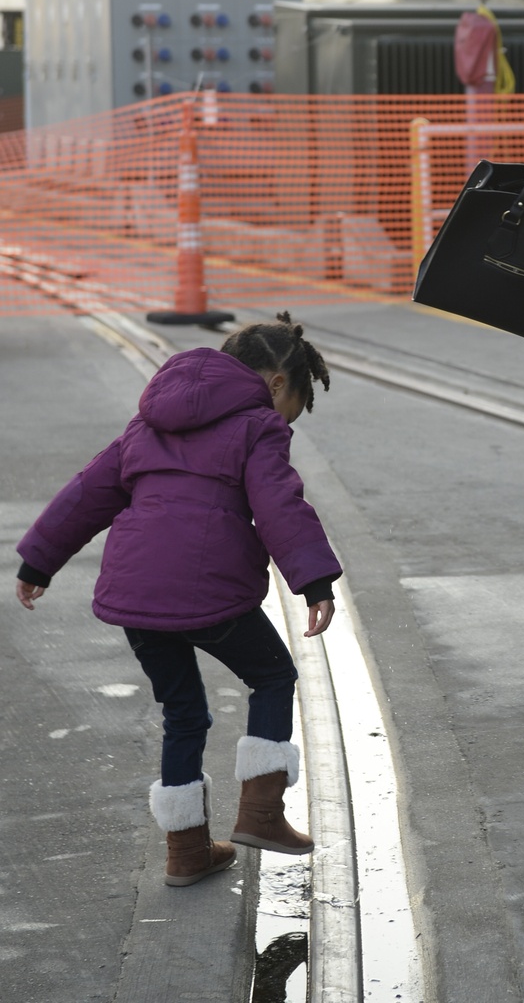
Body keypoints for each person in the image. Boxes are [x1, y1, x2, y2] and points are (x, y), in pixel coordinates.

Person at [15, 313, 342, 888]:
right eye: (296, 398)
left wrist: (40, 560)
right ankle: (261, 815)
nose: (290, 415)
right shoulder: (257, 427)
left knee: (183, 713)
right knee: (272, 676)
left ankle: (187, 851)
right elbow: (279, 506)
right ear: (274, 383)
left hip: (133, 590)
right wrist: (314, 580)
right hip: (208, 587)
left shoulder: (146, 424)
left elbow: (86, 492)